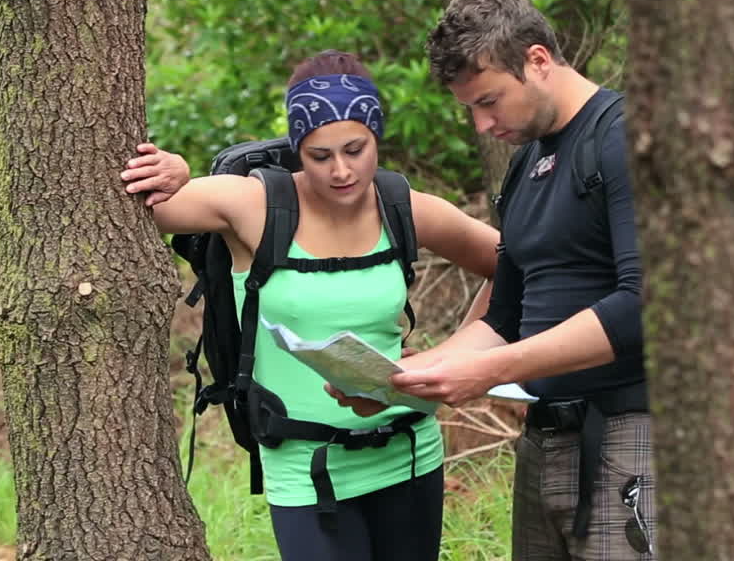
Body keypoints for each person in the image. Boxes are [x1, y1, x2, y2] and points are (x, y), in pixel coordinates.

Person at [119, 50, 499, 561]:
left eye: (356, 149)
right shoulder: (253, 206)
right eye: (320, 156)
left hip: (410, 455)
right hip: (304, 466)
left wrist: (453, 356)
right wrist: (175, 170)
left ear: (376, 137)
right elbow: (136, 205)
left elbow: (516, 267)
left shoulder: (401, 207)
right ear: (298, 148)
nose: (342, 170)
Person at [384, 0, 654, 559]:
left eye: (489, 101)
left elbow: (644, 305)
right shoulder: (526, 165)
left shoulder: (625, 136)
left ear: (537, 60)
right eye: (471, 110)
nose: (483, 125)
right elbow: (506, 314)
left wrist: (491, 371)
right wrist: (400, 380)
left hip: (631, 433)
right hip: (544, 440)